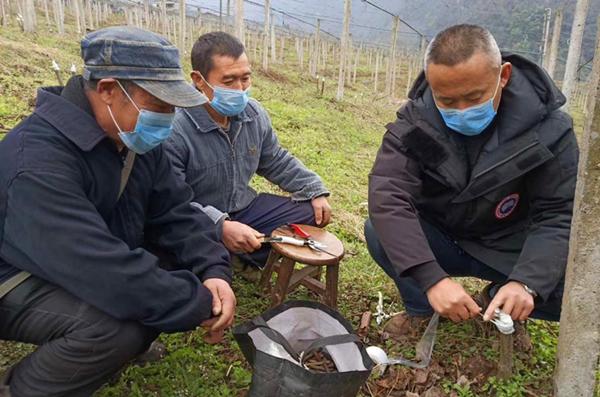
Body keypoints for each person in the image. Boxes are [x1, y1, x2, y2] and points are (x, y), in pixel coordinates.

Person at [0, 27, 235, 397]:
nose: (168, 118)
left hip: (84, 258)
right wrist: (198, 303)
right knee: (116, 326)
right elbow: (99, 269)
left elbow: (176, 211)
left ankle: (121, 350)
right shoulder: (38, 162)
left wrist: (213, 270)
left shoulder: (131, 140)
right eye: (159, 105)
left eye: (173, 107)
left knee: (163, 280)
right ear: (108, 89)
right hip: (15, 274)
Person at [364, 24, 578, 332]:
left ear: (503, 76)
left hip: (509, 243)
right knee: (379, 233)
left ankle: (501, 297)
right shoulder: (417, 123)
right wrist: (430, 277)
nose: (462, 110)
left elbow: (558, 212)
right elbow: (389, 194)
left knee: (579, 288)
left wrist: (528, 281)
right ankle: (422, 307)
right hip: (443, 237)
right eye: (447, 101)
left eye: (474, 96)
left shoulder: (549, 130)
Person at [166, 32, 331, 269]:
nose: (240, 89)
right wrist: (219, 225)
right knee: (177, 247)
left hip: (244, 208)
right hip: (197, 218)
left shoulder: (253, 114)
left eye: (245, 78)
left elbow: (275, 159)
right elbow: (172, 200)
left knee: (310, 214)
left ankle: (241, 255)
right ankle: (225, 253)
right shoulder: (176, 129)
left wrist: (313, 189)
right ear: (199, 80)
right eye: (229, 81)